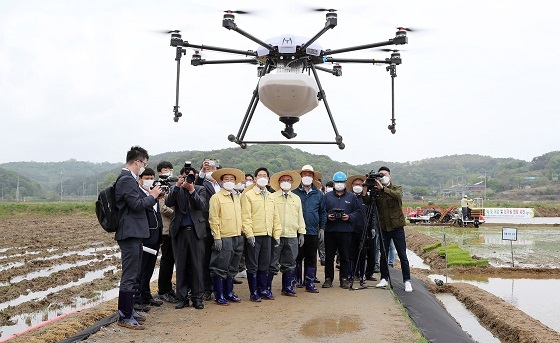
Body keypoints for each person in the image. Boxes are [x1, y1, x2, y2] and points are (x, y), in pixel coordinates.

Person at [114, 146, 162, 330]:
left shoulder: (130, 179)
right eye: (144, 163)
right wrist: (153, 196)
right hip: (130, 232)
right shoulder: (126, 179)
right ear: (137, 162)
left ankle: (129, 310)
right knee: (130, 274)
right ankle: (124, 315)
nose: (144, 167)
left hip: (134, 232)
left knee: (134, 274)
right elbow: (136, 205)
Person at [165, 165, 208, 310]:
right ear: (180, 177)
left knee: (197, 266)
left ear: (195, 177)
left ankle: (197, 297)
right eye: (185, 176)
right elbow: (168, 202)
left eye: (191, 176)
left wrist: (192, 190)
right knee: (181, 265)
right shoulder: (175, 189)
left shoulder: (200, 189)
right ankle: (182, 298)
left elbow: (201, 205)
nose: (188, 179)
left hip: (196, 232)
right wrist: (177, 186)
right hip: (179, 232)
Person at [240, 167, 281, 301]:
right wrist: (249, 234)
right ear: (255, 179)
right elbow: (246, 217)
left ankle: (263, 290)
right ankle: (254, 292)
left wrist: (276, 234)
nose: (262, 178)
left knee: (265, 264)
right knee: (252, 265)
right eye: (260, 176)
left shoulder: (271, 196)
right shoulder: (249, 195)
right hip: (254, 235)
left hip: (267, 234)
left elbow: (275, 216)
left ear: (268, 180)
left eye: (265, 176)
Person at [370, 166, 413, 293]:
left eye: (384, 174)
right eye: (380, 175)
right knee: (384, 254)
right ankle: (384, 278)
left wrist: (384, 189)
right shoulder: (376, 191)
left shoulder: (396, 188)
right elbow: (367, 201)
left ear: (390, 176)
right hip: (383, 227)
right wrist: (367, 188)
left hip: (397, 227)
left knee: (402, 254)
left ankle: (407, 281)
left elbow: (397, 196)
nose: (382, 177)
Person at [208, 167, 245, 305]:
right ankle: (219, 294)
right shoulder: (216, 197)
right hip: (224, 236)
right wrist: (217, 236)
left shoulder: (236, 197)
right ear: (221, 181)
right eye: (226, 179)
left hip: (237, 235)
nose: (229, 181)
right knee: (220, 266)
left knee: (233, 266)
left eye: (232, 179)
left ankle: (229, 292)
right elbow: (213, 218)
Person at [269, 170, 306, 297]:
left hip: (291, 235)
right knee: (272, 262)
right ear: (279, 183)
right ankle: (267, 289)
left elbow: (300, 216)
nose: (286, 182)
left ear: (292, 183)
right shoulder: (272, 197)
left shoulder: (296, 198)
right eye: (283, 180)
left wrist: (301, 232)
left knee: (290, 263)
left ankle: (288, 287)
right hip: (276, 235)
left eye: (288, 180)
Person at [322, 171, 362, 289]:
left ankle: (344, 279)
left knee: (345, 256)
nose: (339, 184)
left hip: (346, 231)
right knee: (329, 256)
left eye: (341, 182)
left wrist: (349, 217)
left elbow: (358, 212)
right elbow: (322, 211)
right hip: (330, 231)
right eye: (337, 182)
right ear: (334, 183)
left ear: (345, 183)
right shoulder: (327, 197)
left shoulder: (351, 197)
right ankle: (328, 279)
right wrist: (327, 216)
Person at [292, 165, 326, 293]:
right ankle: (297, 280)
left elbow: (322, 212)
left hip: (312, 230)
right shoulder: (294, 192)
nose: (307, 177)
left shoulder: (318, 193)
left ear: (313, 177)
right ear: (300, 176)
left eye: (309, 175)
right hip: (297, 230)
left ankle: (309, 282)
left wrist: (322, 228)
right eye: (304, 174)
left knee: (311, 257)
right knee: (297, 256)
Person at [134, 168, 164, 309]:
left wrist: (160, 236)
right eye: (146, 177)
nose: (149, 180)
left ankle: (146, 295)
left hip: (155, 237)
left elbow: (158, 215)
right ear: (140, 179)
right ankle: (137, 299)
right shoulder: (139, 194)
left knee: (150, 268)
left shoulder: (155, 193)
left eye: (151, 177)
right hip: (144, 238)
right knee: (140, 269)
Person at [195, 158, 220, 300]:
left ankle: (220, 287)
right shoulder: (202, 183)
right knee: (205, 258)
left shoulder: (223, 185)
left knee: (220, 257)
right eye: (208, 169)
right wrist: (202, 173)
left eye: (213, 169)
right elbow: (195, 184)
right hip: (205, 225)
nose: (211, 171)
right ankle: (206, 288)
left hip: (222, 225)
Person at [155, 161, 179, 304]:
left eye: (170, 169)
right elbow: (163, 208)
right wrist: (179, 215)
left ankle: (169, 288)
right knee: (167, 261)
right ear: (159, 172)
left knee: (173, 261)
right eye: (165, 169)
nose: (168, 171)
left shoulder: (172, 186)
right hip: (166, 229)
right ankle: (163, 290)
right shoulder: (160, 187)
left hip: (175, 229)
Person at [345, 174, 368, 285]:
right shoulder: (349, 197)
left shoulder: (365, 198)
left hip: (362, 229)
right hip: (350, 228)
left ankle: (361, 275)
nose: (358, 186)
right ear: (352, 185)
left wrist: (372, 228)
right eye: (356, 184)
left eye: (360, 184)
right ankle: (351, 274)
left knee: (362, 253)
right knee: (351, 253)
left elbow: (371, 214)